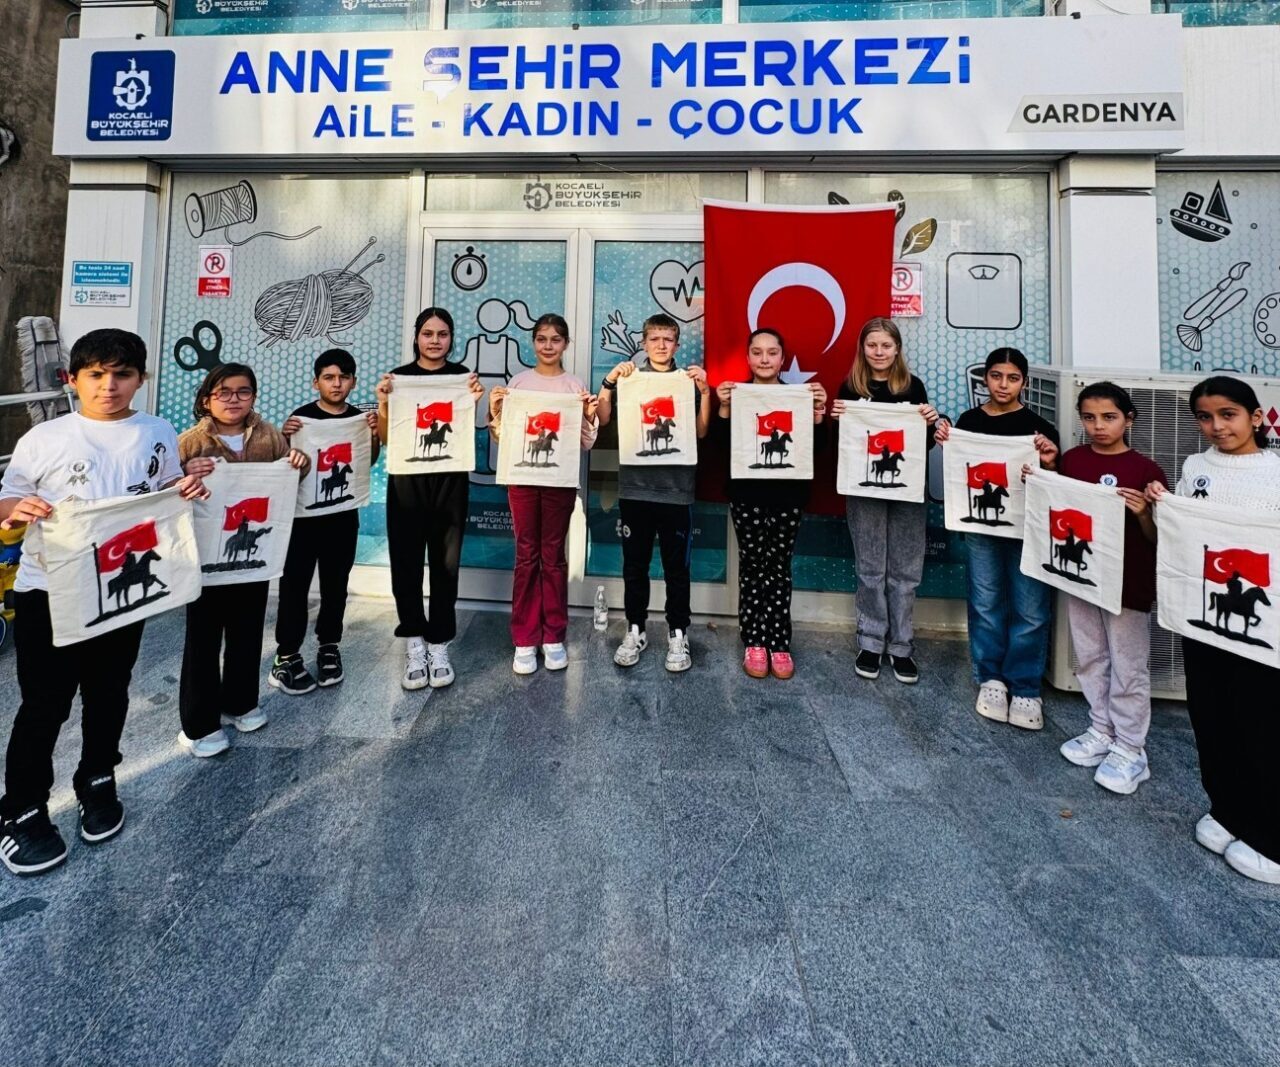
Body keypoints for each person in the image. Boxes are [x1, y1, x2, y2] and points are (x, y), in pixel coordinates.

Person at [0, 329, 206, 875]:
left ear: (141, 379)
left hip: (120, 591)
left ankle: (97, 778)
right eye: (95, 374)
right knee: (44, 704)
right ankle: (21, 808)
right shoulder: (44, 438)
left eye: (122, 375)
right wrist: (19, 509)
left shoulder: (157, 431)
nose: (108, 386)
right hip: (50, 589)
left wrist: (186, 487)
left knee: (109, 692)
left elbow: (166, 489)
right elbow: (7, 496)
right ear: (73, 379)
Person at [1147, 376, 1280, 884]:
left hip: (1265, 632)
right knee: (1211, 715)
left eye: (1228, 414)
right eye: (1205, 417)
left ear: (1254, 416)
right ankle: (1228, 809)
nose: (1217, 426)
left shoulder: (1275, 471)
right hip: (1203, 618)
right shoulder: (1195, 467)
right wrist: (1162, 506)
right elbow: (1183, 534)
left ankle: (1271, 836)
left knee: (1260, 724)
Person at [178, 363, 308, 757]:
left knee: (247, 631)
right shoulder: (188, 442)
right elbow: (166, 490)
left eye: (243, 391)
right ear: (207, 399)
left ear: (253, 396)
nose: (234, 399)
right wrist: (184, 473)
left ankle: (240, 703)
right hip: (205, 559)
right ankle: (198, 724)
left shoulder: (268, 436)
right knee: (203, 639)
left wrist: (299, 463)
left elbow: (288, 482)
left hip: (254, 560)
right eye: (224, 392)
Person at [934, 347, 1058, 729]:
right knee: (985, 600)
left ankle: (1025, 685)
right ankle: (990, 679)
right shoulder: (969, 421)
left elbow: (1054, 483)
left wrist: (1050, 461)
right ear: (985, 378)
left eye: (1013, 378)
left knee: (1030, 607)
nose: (1003, 385)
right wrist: (946, 439)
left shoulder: (1039, 428)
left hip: (1026, 529)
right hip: (981, 530)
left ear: (1024, 382)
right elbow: (958, 466)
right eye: (996, 376)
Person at [1055, 382, 1166, 795]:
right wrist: (1043, 475)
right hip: (1083, 577)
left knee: (1128, 664)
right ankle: (1101, 729)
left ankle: (1132, 747)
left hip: (1127, 582)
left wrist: (1143, 513)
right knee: (1089, 656)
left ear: (1128, 419)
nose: (1098, 426)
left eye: (1109, 417)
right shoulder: (1072, 460)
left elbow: (1160, 538)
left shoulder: (1146, 470)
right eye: (1089, 417)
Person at [375, 308, 484, 690]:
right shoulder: (399, 379)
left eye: (442, 334)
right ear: (417, 337)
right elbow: (386, 438)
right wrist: (384, 403)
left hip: (450, 483)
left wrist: (474, 400)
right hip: (406, 482)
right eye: (428, 333)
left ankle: (439, 644)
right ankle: (414, 642)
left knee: (445, 565)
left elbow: (463, 429)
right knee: (405, 564)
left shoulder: (461, 378)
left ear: (451, 338)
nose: (435, 340)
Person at [596, 313, 712, 672]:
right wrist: (609, 382)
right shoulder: (631, 379)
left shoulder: (687, 382)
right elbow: (602, 418)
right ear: (644, 343)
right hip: (635, 488)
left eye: (668, 339)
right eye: (654, 339)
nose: (661, 345)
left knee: (677, 569)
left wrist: (706, 392)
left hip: (677, 490)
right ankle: (636, 629)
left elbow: (701, 431)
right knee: (635, 566)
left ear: (677, 344)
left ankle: (678, 632)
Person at [831, 317, 941, 685]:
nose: (879, 352)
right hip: (864, 491)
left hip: (907, 491)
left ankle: (902, 645)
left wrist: (930, 422)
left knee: (905, 571)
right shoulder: (850, 388)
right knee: (870, 568)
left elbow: (923, 445)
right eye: (872, 345)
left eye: (886, 345)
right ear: (863, 349)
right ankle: (870, 641)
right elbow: (842, 446)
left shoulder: (913, 386)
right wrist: (836, 420)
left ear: (897, 350)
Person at [713, 328, 827, 680]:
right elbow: (719, 449)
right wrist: (724, 408)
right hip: (746, 495)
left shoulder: (798, 397)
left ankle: (779, 642)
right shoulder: (737, 396)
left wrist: (817, 414)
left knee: (778, 568)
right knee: (751, 567)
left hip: (788, 496)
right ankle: (754, 641)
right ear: (748, 358)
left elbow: (817, 450)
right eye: (757, 352)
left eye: (772, 352)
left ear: (782, 359)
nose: (765, 359)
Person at [488, 313, 598, 675]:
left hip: (559, 483)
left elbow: (585, 443)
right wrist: (495, 412)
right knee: (526, 556)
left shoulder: (573, 385)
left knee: (552, 557)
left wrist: (589, 415)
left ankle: (553, 636)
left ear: (565, 344)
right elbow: (504, 438)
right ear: (533, 342)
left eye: (555, 339)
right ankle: (524, 637)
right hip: (522, 481)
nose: (548, 346)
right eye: (541, 339)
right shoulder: (519, 383)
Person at [270, 348, 381, 695]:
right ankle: (286, 654)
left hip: (343, 518)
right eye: (329, 377)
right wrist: (284, 438)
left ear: (353, 382)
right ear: (315, 381)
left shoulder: (360, 419)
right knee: (294, 586)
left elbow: (367, 462)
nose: (337, 384)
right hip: (302, 519)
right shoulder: (300, 419)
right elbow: (283, 463)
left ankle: (329, 646)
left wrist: (373, 437)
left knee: (336, 586)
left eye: (343, 377)